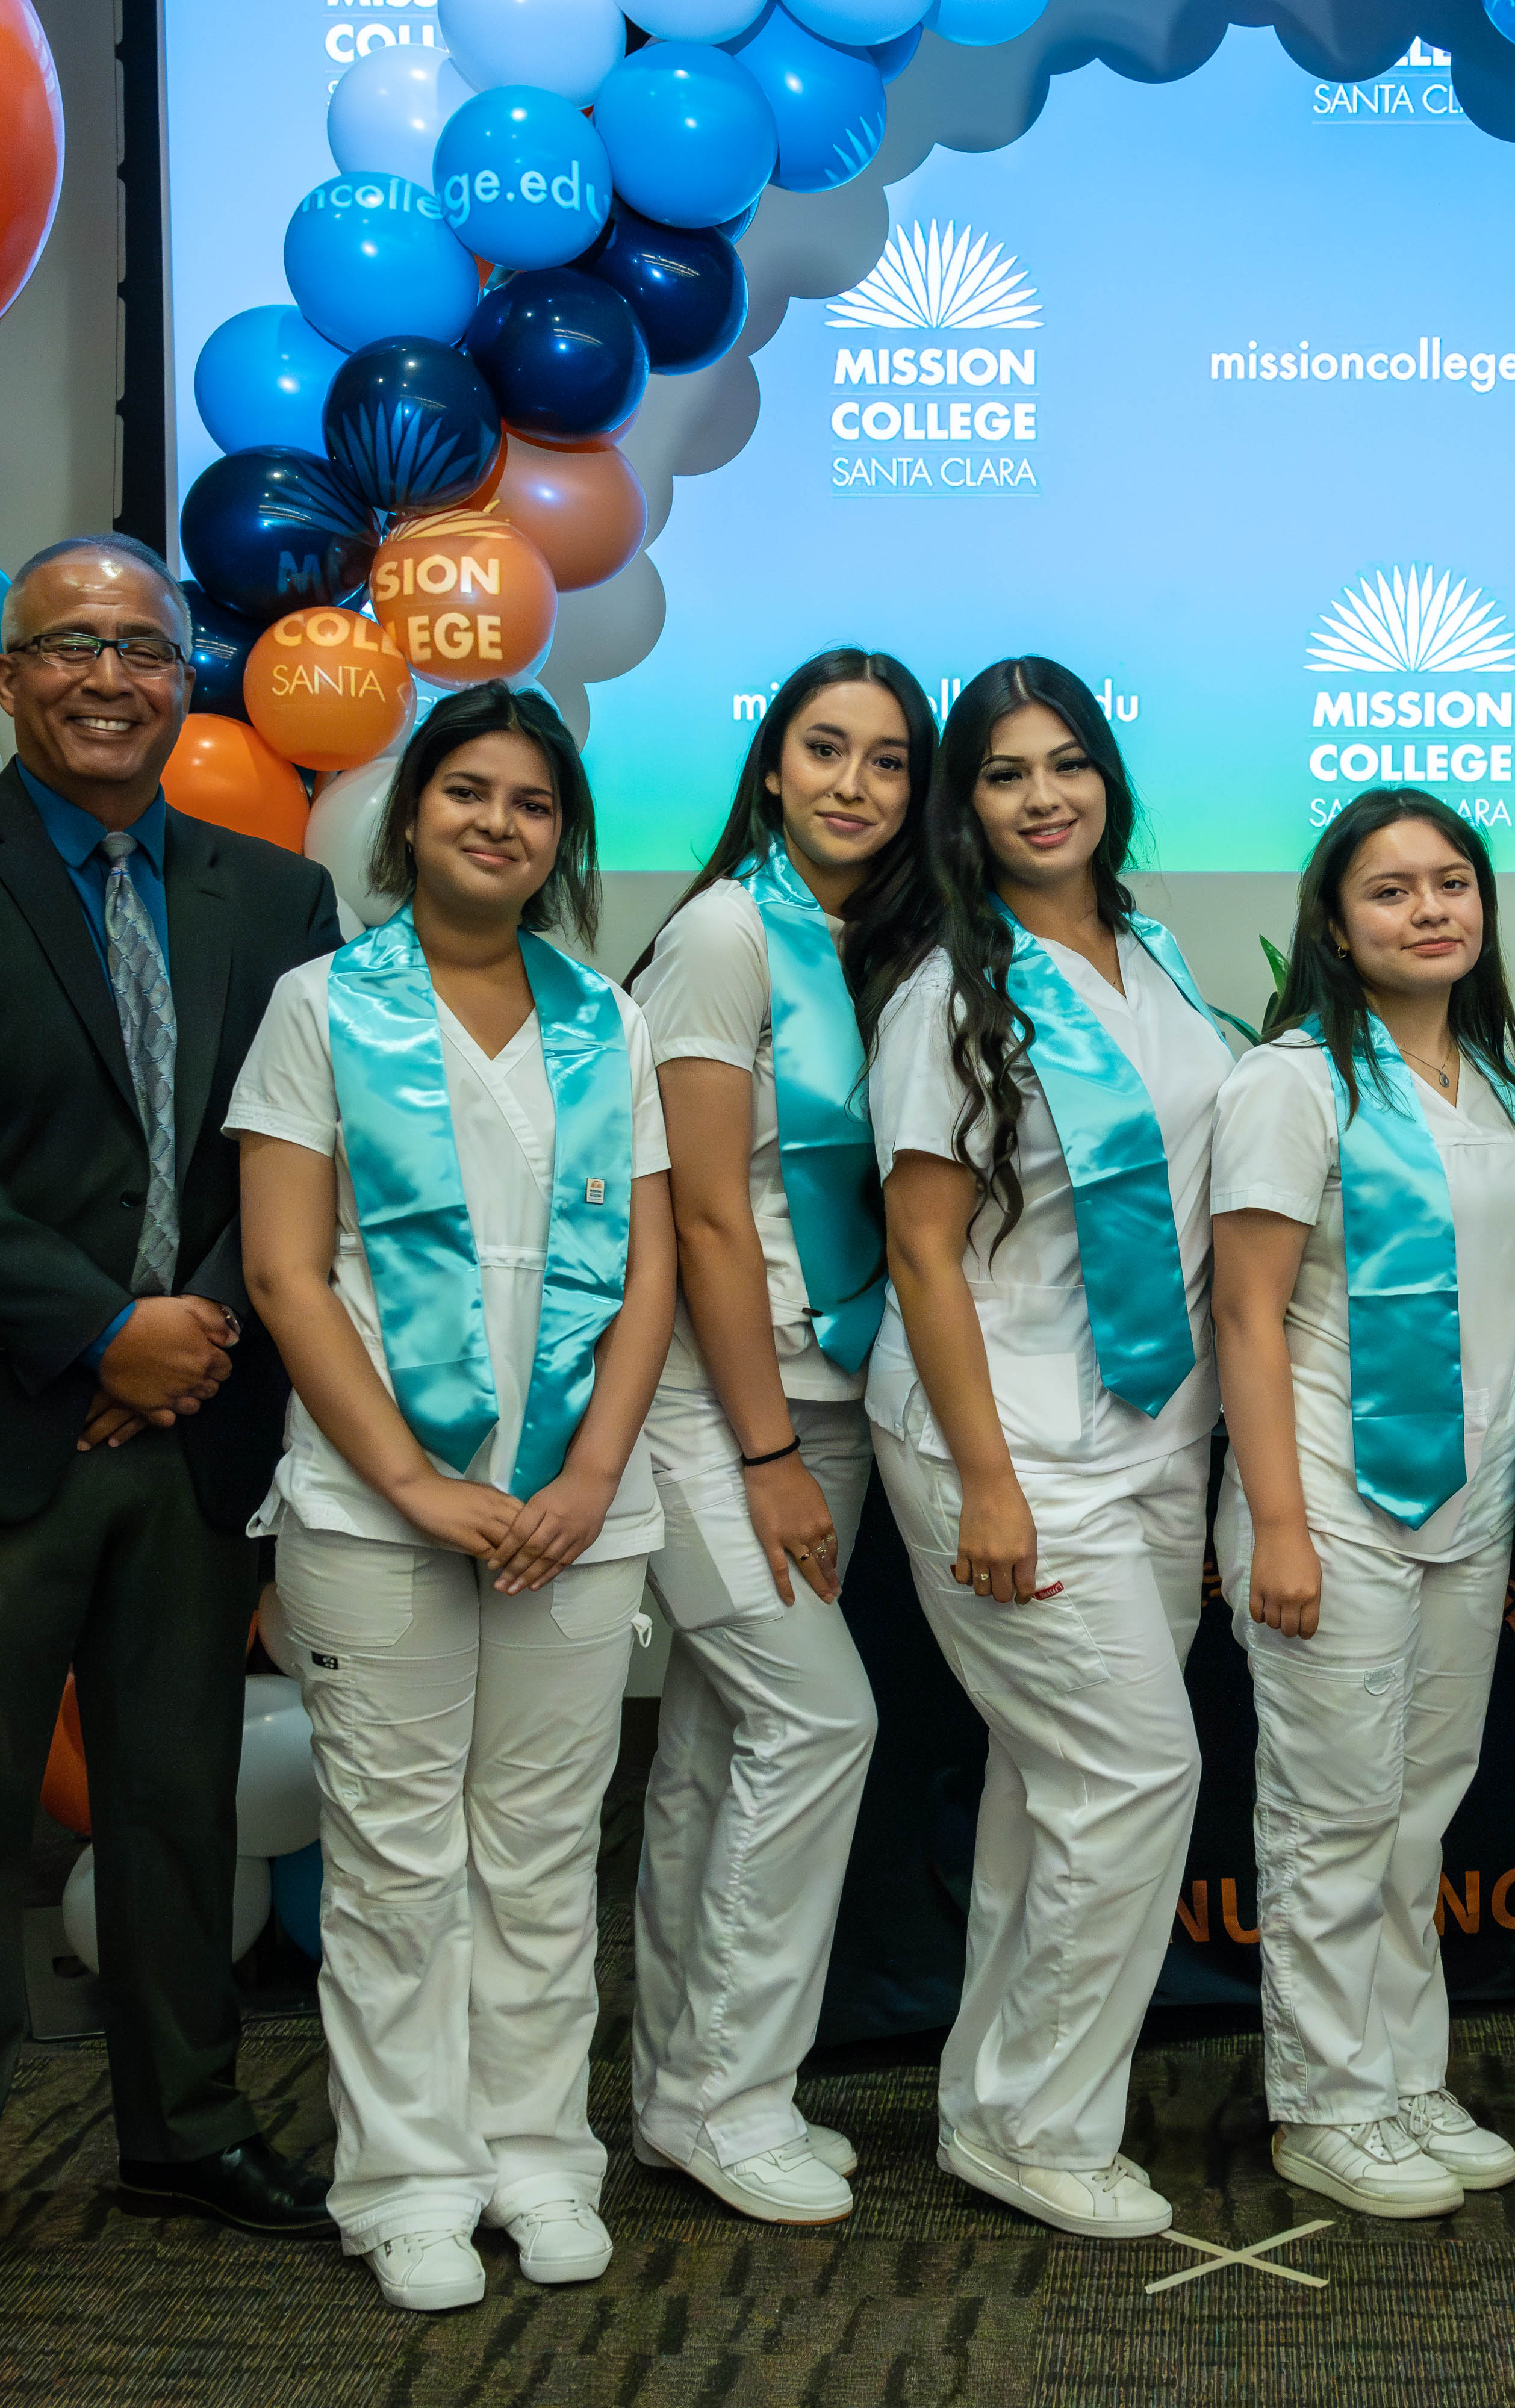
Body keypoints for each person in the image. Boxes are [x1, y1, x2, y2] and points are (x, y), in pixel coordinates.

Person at [0, 536, 342, 2352]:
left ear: (185, 674)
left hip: (194, 1433)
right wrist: (96, 1328)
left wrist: (189, 1331)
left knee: (176, 1817)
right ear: (10, 679)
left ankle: (183, 2135)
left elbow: (291, 1152)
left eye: (146, 645)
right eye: (73, 648)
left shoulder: (276, 899)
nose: (113, 676)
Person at [230, 681, 680, 2309]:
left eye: (533, 803)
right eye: (468, 792)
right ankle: (410, 2182)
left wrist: (589, 1473)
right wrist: (415, 1481)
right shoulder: (319, 1007)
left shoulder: (606, 1021)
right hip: (371, 1512)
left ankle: (542, 2158)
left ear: (562, 840)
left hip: (573, 1512)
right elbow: (287, 1274)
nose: (499, 822)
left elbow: (646, 1277)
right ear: (408, 815)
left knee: (547, 1853)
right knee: (400, 1864)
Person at [844, 656, 1241, 2241]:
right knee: (1142, 1774)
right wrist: (991, 1481)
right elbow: (924, 1256)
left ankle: (990, 2102)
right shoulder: (955, 992)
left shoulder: (1159, 956)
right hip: (999, 1438)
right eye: (1005, 774)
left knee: (1053, 1788)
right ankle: (1048, 2122)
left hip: (1155, 1431)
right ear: (967, 805)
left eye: (1067, 763)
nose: (1044, 796)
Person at [619, 650, 936, 2225]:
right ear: (771, 764)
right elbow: (700, 1222)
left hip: (837, 1400)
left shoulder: (866, 946)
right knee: (822, 1726)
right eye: (827, 749)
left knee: (721, 1744)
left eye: (888, 761)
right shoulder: (728, 932)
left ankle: (684, 2081)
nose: (855, 786)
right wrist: (754, 1451)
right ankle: (721, 2099)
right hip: (713, 1409)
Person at [1211, 790, 1515, 2221]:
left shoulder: (1498, 1085)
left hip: (1468, 1504)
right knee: (1331, 1815)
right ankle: (1326, 2102)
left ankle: (1407, 2070)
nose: (1431, 910)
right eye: (1393, 890)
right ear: (1336, 925)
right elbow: (1246, 1311)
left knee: (1420, 1810)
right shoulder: (1293, 1080)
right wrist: (1277, 1524)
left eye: (1452, 883)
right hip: (1332, 1499)